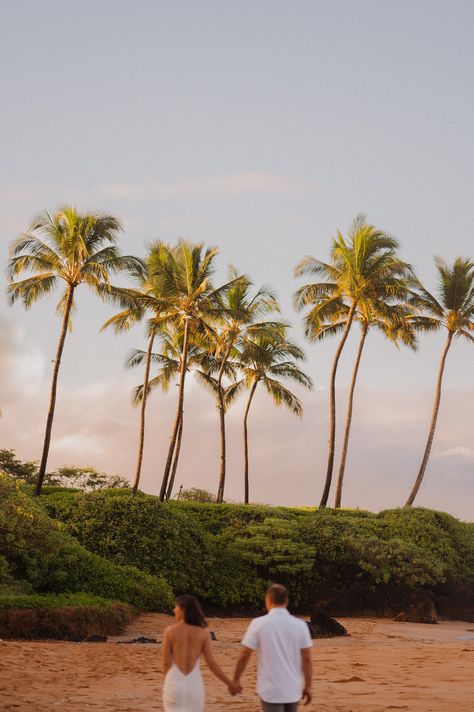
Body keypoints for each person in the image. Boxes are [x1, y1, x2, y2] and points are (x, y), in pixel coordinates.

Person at [233, 583, 313, 711]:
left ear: (268, 600)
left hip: (270, 689)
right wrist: (308, 686)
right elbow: (307, 659)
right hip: (293, 688)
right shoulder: (300, 625)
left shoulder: (258, 623)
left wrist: (236, 679)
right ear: (286, 601)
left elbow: (244, 654)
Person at [162, 594, 241, 711]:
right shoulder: (203, 632)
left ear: (183, 609)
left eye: (176, 607)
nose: (174, 610)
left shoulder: (170, 631)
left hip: (174, 682)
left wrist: (168, 681)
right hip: (194, 683)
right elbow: (211, 663)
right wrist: (229, 683)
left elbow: (166, 664)